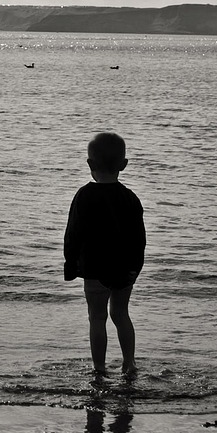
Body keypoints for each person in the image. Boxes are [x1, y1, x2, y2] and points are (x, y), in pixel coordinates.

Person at [63, 132, 145, 376]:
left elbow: (73, 234)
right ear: (123, 165)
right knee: (121, 314)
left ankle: (99, 368)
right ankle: (129, 363)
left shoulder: (84, 196)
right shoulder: (130, 198)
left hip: (95, 268)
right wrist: (135, 268)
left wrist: (71, 264)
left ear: (90, 164)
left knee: (97, 317)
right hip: (124, 268)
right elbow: (139, 239)